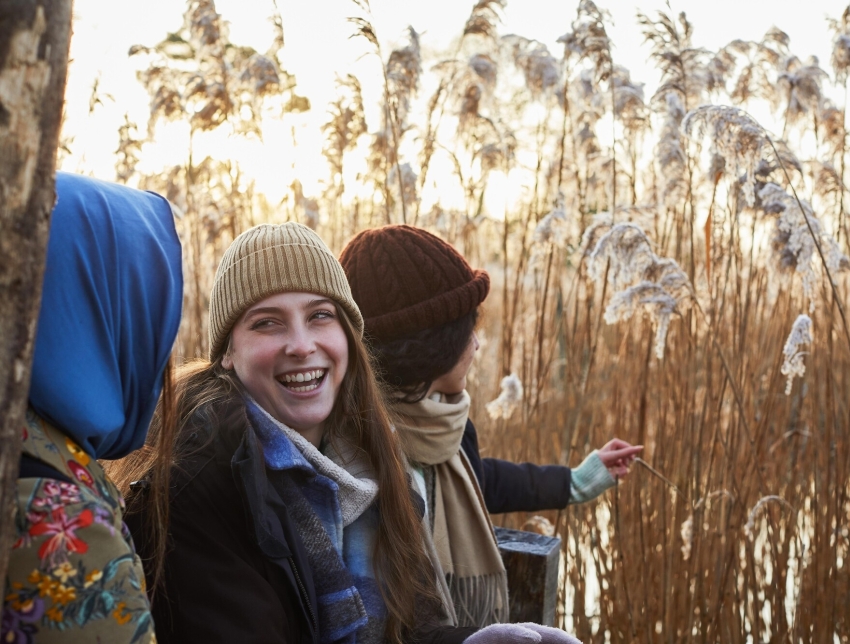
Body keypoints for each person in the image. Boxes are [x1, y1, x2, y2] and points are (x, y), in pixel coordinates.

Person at [121, 222, 474, 644]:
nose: (301, 345)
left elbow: (413, 630)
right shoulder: (192, 486)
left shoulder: (375, 460)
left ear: (348, 335)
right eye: (267, 323)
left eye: (320, 315)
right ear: (228, 353)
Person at [339, 225, 644, 628]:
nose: (477, 345)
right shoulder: (358, 454)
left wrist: (577, 481)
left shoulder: (445, 421)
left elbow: (483, 480)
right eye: (468, 330)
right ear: (435, 344)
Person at [2, 172, 183, 643]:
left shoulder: (27, 447)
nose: (162, 357)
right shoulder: (61, 525)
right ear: (106, 314)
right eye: (154, 321)